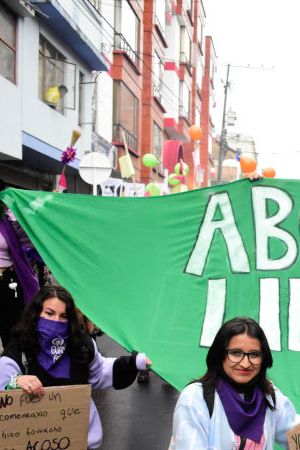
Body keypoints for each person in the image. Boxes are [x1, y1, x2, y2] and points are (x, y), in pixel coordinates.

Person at [0, 286, 151, 450]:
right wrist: (16, 381)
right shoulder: (19, 349)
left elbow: (100, 372)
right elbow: (3, 388)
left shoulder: (81, 346)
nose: (56, 321)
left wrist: (134, 362)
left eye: (63, 316)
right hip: (33, 443)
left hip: (79, 442)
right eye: (49, 314)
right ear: (36, 314)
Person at [169, 317, 300, 449]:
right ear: (220, 354)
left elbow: (295, 434)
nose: (245, 363)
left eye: (254, 354)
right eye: (236, 353)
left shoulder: (268, 394)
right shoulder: (195, 399)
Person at [0, 179, 39, 347]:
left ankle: (11, 368)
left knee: (11, 331)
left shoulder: (8, 221)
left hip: (9, 282)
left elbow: (29, 240)